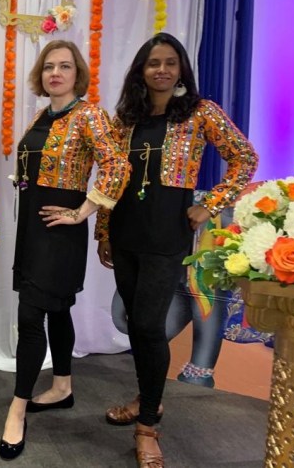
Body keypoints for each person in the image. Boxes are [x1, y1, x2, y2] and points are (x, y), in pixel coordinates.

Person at [95, 32, 258, 468]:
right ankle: (147, 398)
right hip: (125, 230)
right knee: (136, 322)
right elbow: (111, 178)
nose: (162, 70)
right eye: (154, 63)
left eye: (170, 62)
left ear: (181, 68)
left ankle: (147, 427)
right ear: (141, 70)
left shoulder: (200, 112)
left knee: (150, 324)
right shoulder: (124, 118)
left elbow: (244, 158)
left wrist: (211, 204)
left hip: (167, 234)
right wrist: (104, 232)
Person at [0, 40, 130, 461]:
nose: (56, 73)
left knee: (30, 316)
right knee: (56, 310)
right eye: (49, 66)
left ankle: (17, 409)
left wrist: (84, 210)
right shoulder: (42, 115)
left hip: (59, 233)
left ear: (78, 74)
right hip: (32, 228)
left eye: (65, 66)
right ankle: (62, 386)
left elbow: (118, 165)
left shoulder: (89, 115)